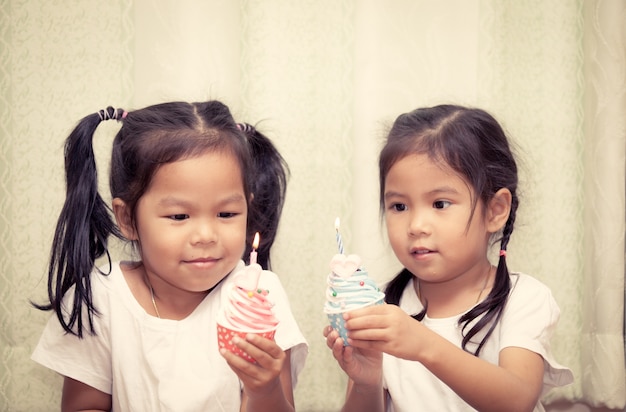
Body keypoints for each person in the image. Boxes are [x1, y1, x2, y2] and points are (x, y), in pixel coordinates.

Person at [32, 101, 307, 411]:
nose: (206, 235)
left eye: (227, 213)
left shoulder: (260, 297)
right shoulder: (102, 299)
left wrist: (264, 389)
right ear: (127, 219)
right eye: (179, 216)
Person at [324, 104, 573, 411]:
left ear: (495, 210)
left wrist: (423, 344)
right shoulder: (384, 305)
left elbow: (517, 400)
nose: (416, 226)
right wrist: (367, 381)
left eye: (440, 204)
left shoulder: (523, 299)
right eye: (399, 206)